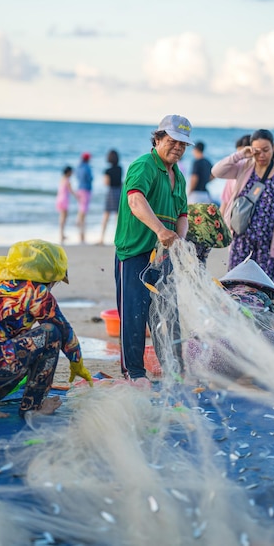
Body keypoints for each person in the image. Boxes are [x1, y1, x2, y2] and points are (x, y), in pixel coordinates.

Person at [0, 239, 93, 419]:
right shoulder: (35, 292)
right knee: (51, 334)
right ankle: (33, 407)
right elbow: (63, 331)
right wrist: (77, 362)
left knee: (20, 343)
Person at [114, 114, 194, 383]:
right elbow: (135, 200)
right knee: (134, 313)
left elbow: (182, 214)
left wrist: (179, 242)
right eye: (173, 141)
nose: (178, 148)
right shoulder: (144, 165)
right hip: (136, 251)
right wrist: (160, 231)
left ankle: (174, 367)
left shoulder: (178, 177)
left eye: (183, 145)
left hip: (164, 256)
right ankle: (134, 372)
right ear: (158, 138)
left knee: (168, 313)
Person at [212, 129, 274, 284]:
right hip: (241, 239)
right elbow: (217, 171)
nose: (261, 155)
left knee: (264, 289)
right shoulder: (244, 167)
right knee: (236, 287)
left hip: (269, 242)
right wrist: (241, 154)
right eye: (257, 151)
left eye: (266, 150)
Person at [219, 135, 251, 222]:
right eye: (238, 154)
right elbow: (225, 203)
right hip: (234, 224)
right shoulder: (234, 174)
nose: (240, 159)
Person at [98, 149, 123, 245]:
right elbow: (120, 181)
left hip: (111, 191)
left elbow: (106, 183)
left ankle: (102, 238)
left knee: (106, 215)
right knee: (118, 217)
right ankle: (119, 238)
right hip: (119, 191)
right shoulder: (120, 168)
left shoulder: (107, 171)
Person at [56, 165, 77, 245]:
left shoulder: (61, 179)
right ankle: (61, 234)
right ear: (68, 172)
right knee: (64, 217)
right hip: (64, 200)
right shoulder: (67, 180)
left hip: (59, 199)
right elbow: (71, 191)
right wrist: (77, 196)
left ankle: (62, 234)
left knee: (62, 216)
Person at [76, 152, 93, 243]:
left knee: (81, 206)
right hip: (86, 188)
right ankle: (81, 222)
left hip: (79, 188)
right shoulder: (87, 167)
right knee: (84, 208)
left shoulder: (79, 167)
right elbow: (90, 178)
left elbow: (77, 177)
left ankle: (79, 221)